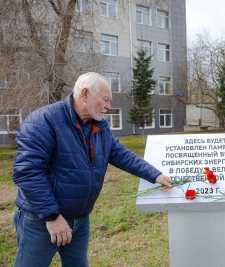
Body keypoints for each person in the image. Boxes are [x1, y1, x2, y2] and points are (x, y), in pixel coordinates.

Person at [12, 72, 172, 267]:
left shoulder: (100, 126)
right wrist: (52, 216)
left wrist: (155, 175)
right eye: (105, 99)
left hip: (79, 219)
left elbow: (120, 154)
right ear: (85, 94)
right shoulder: (44, 121)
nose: (109, 106)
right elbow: (27, 171)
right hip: (41, 221)